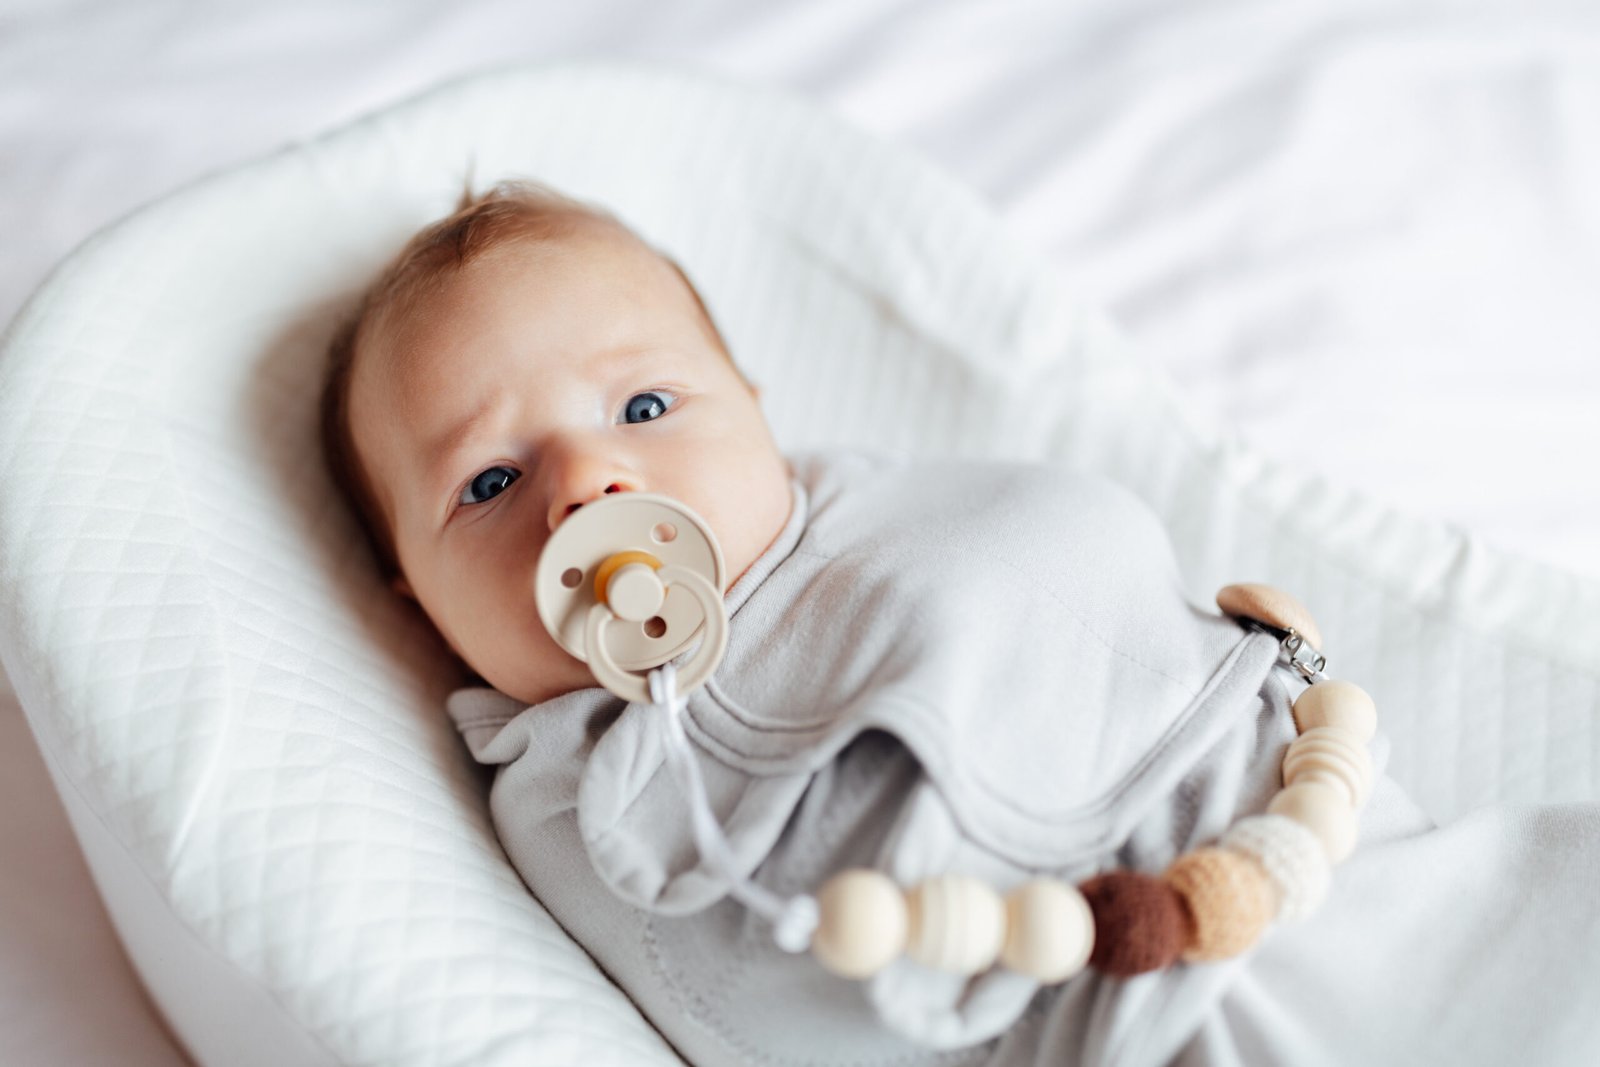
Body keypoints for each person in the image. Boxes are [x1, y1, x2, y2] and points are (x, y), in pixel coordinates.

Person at [320, 180, 1600, 1067]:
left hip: (1348, 853)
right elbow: (732, 982)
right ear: (416, 603)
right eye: (488, 483)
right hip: (1113, 997)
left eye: (646, 404)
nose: (589, 485)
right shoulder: (590, 782)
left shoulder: (871, 507)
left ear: (758, 408)